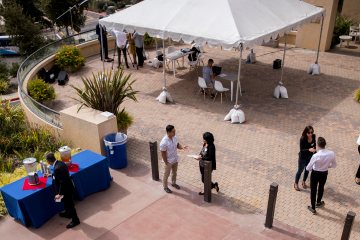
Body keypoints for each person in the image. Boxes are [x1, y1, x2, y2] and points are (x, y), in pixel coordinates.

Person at [44, 152, 80, 228]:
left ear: (48, 161)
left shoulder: (57, 168)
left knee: (70, 205)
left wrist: (59, 194)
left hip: (66, 191)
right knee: (66, 204)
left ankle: (75, 220)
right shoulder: (60, 163)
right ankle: (68, 213)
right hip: (68, 188)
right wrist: (50, 175)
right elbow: (60, 175)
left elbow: (62, 182)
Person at [306, 137, 337, 214]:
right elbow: (334, 165)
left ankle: (313, 208)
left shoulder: (316, 156)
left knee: (313, 190)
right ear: (325, 144)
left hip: (315, 174)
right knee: (321, 187)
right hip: (324, 173)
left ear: (318, 145)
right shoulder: (331, 153)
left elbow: (308, 168)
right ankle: (318, 202)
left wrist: (314, 168)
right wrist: (326, 166)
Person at [160, 125, 189, 193]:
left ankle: (173, 183)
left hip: (175, 159)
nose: (174, 133)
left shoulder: (174, 137)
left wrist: (182, 147)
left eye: (175, 131)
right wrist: (166, 162)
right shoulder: (164, 142)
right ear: (168, 132)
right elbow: (163, 154)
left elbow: (177, 145)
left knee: (174, 173)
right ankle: (165, 187)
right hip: (168, 161)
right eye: (173, 132)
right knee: (166, 175)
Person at [294, 126, 316, 191]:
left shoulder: (314, 136)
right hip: (303, 157)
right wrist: (309, 150)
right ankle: (296, 183)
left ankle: (304, 181)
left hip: (310, 156)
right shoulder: (302, 139)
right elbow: (301, 150)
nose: (310, 134)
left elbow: (314, 145)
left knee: (307, 169)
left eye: (311, 132)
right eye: (309, 132)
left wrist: (314, 151)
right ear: (306, 132)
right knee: (300, 170)